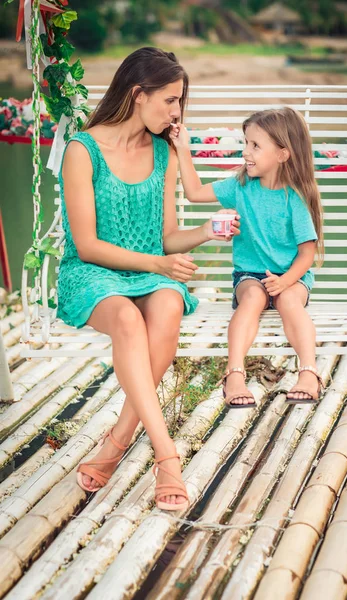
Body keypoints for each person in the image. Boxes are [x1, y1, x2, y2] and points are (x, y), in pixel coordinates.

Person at [58, 47, 239, 510]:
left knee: (170, 303)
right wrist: (158, 265)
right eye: (171, 100)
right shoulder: (83, 150)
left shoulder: (164, 153)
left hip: (148, 275)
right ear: (139, 94)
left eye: (181, 101)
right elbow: (87, 245)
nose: (178, 112)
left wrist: (206, 231)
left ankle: (118, 440)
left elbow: (166, 238)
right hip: (94, 275)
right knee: (126, 319)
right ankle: (166, 456)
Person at [169, 106, 324, 407]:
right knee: (252, 299)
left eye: (255, 145)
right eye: (246, 143)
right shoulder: (240, 186)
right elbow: (194, 192)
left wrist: (286, 281)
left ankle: (308, 371)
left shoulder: (295, 198)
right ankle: (235, 374)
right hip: (249, 275)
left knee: (290, 300)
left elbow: (307, 254)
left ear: (282, 154)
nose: (246, 152)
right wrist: (182, 149)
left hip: (292, 275)